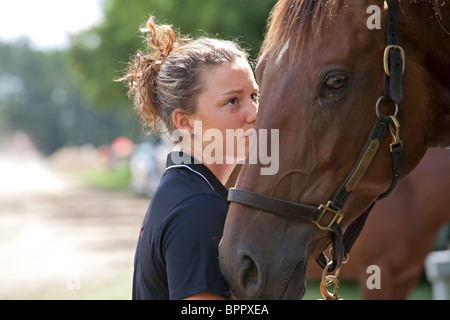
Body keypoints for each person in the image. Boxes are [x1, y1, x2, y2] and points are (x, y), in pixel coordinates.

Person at [117, 16, 259, 300]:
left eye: (254, 95)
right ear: (185, 122)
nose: (254, 111)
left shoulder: (184, 188)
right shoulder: (199, 208)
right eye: (232, 101)